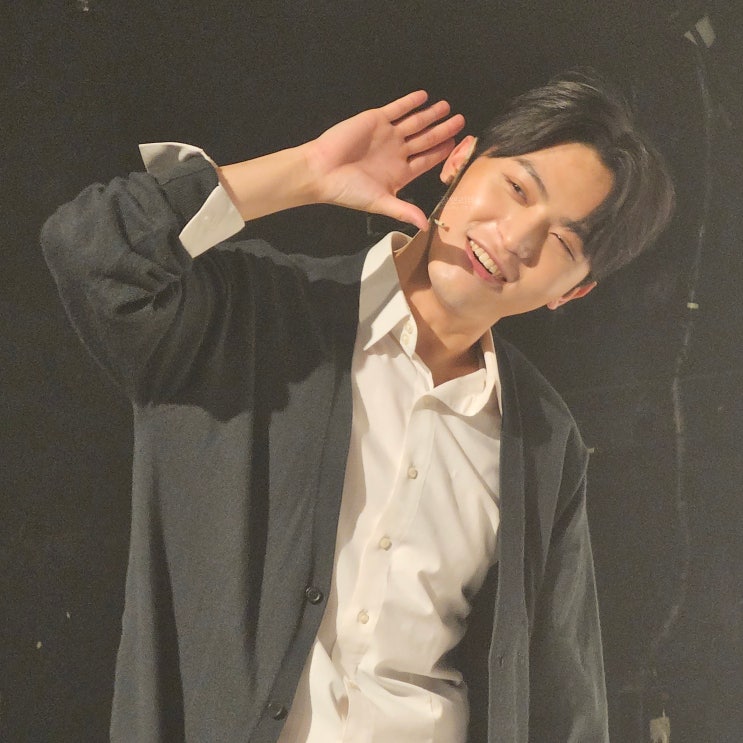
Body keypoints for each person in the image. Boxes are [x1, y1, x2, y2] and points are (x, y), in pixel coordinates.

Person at [41, 70, 674, 742]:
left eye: (563, 244)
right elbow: (89, 249)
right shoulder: (256, 316)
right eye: (517, 188)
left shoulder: (543, 439)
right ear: (461, 160)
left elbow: (562, 693)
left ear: (571, 292)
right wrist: (304, 172)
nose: (516, 237)